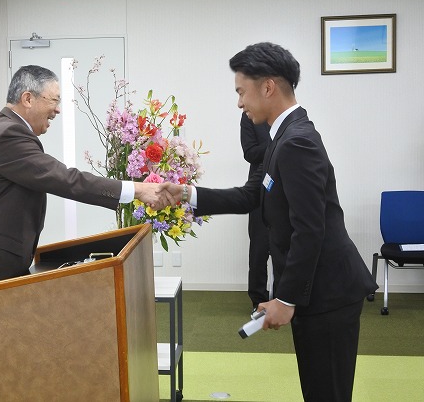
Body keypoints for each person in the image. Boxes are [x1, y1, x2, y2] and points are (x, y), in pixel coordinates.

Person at [159, 42, 378, 402]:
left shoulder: (297, 142)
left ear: (268, 87)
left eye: (241, 91)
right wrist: (186, 193)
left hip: (328, 292)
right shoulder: (282, 137)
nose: (239, 103)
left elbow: (310, 228)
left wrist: (285, 299)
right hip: (315, 289)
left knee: (328, 393)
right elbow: (252, 195)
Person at [0, 65, 171, 402]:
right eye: (54, 100)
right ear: (27, 98)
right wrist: (135, 189)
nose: (58, 110)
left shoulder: (6, 131)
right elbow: (66, 179)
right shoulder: (8, 136)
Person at [240, 112, 272, 310]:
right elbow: (250, 153)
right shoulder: (249, 116)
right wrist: (275, 144)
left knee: (288, 247)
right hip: (259, 189)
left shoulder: (290, 117)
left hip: (288, 189)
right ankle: (258, 300)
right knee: (259, 248)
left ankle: (287, 298)